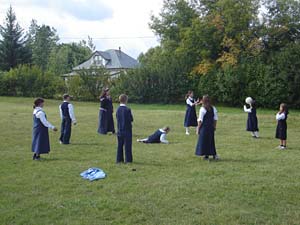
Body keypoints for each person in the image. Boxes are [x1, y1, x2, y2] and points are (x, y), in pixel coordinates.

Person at [195, 95, 219, 160]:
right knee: (211, 141)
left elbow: (200, 120)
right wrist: (214, 126)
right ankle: (213, 155)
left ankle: (206, 155)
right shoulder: (213, 108)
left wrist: (198, 129)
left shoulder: (202, 109)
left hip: (204, 127)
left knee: (204, 141)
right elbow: (215, 119)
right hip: (211, 127)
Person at [116, 94, 133, 163]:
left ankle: (119, 159)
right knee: (127, 146)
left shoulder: (118, 109)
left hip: (120, 130)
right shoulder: (127, 109)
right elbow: (131, 119)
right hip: (127, 130)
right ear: (126, 100)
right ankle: (128, 160)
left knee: (120, 145)